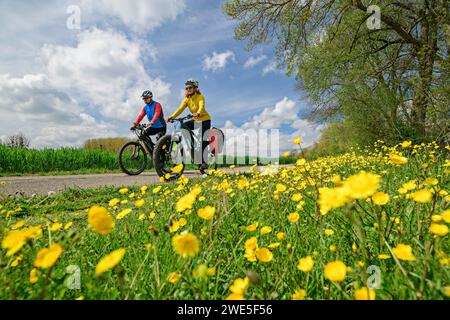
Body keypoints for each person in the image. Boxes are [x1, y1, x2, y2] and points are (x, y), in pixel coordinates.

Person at [167, 79, 211, 169]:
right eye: (186, 88)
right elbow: (180, 109)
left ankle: (204, 162)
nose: (188, 89)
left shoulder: (200, 97)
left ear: (195, 88)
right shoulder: (187, 99)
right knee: (183, 125)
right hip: (196, 120)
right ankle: (191, 146)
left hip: (205, 120)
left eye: (190, 87)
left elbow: (201, 106)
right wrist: (171, 116)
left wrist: (198, 113)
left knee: (202, 140)